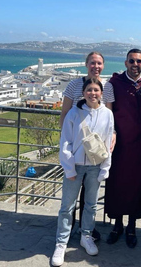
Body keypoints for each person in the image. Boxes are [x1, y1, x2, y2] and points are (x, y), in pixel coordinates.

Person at [51, 78, 114, 266]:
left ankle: (86, 235)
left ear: (101, 93)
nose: (92, 93)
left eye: (96, 90)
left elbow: (107, 142)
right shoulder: (73, 113)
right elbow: (66, 142)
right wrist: (69, 167)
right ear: (83, 92)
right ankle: (61, 242)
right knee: (67, 206)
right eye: (89, 90)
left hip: (95, 166)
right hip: (75, 166)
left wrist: (105, 167)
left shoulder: (107, 115)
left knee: (91, 205)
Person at [104, 48, 141, 248]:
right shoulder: (115, 83)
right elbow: (103, 110)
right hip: (119, 145)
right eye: (131, 61)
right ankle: (117, 225)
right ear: (125, 63)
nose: (135, 64)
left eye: (139, 61)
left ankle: (132, 226)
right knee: (117, 184)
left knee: (137, 185)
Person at [58, 51, 115, 242]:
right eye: (92, 63)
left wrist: (112, 136)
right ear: (86, 64)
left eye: (99, 63)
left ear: (103, 66)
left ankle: (85, 230)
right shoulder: (74, 84)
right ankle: (69, 228)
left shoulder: (107, 87)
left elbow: (108, 117)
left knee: (89, 196)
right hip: (75, 146)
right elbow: (65, 114)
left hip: (94, 151)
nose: (95, 66)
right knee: (71, 193)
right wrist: (65, 144)